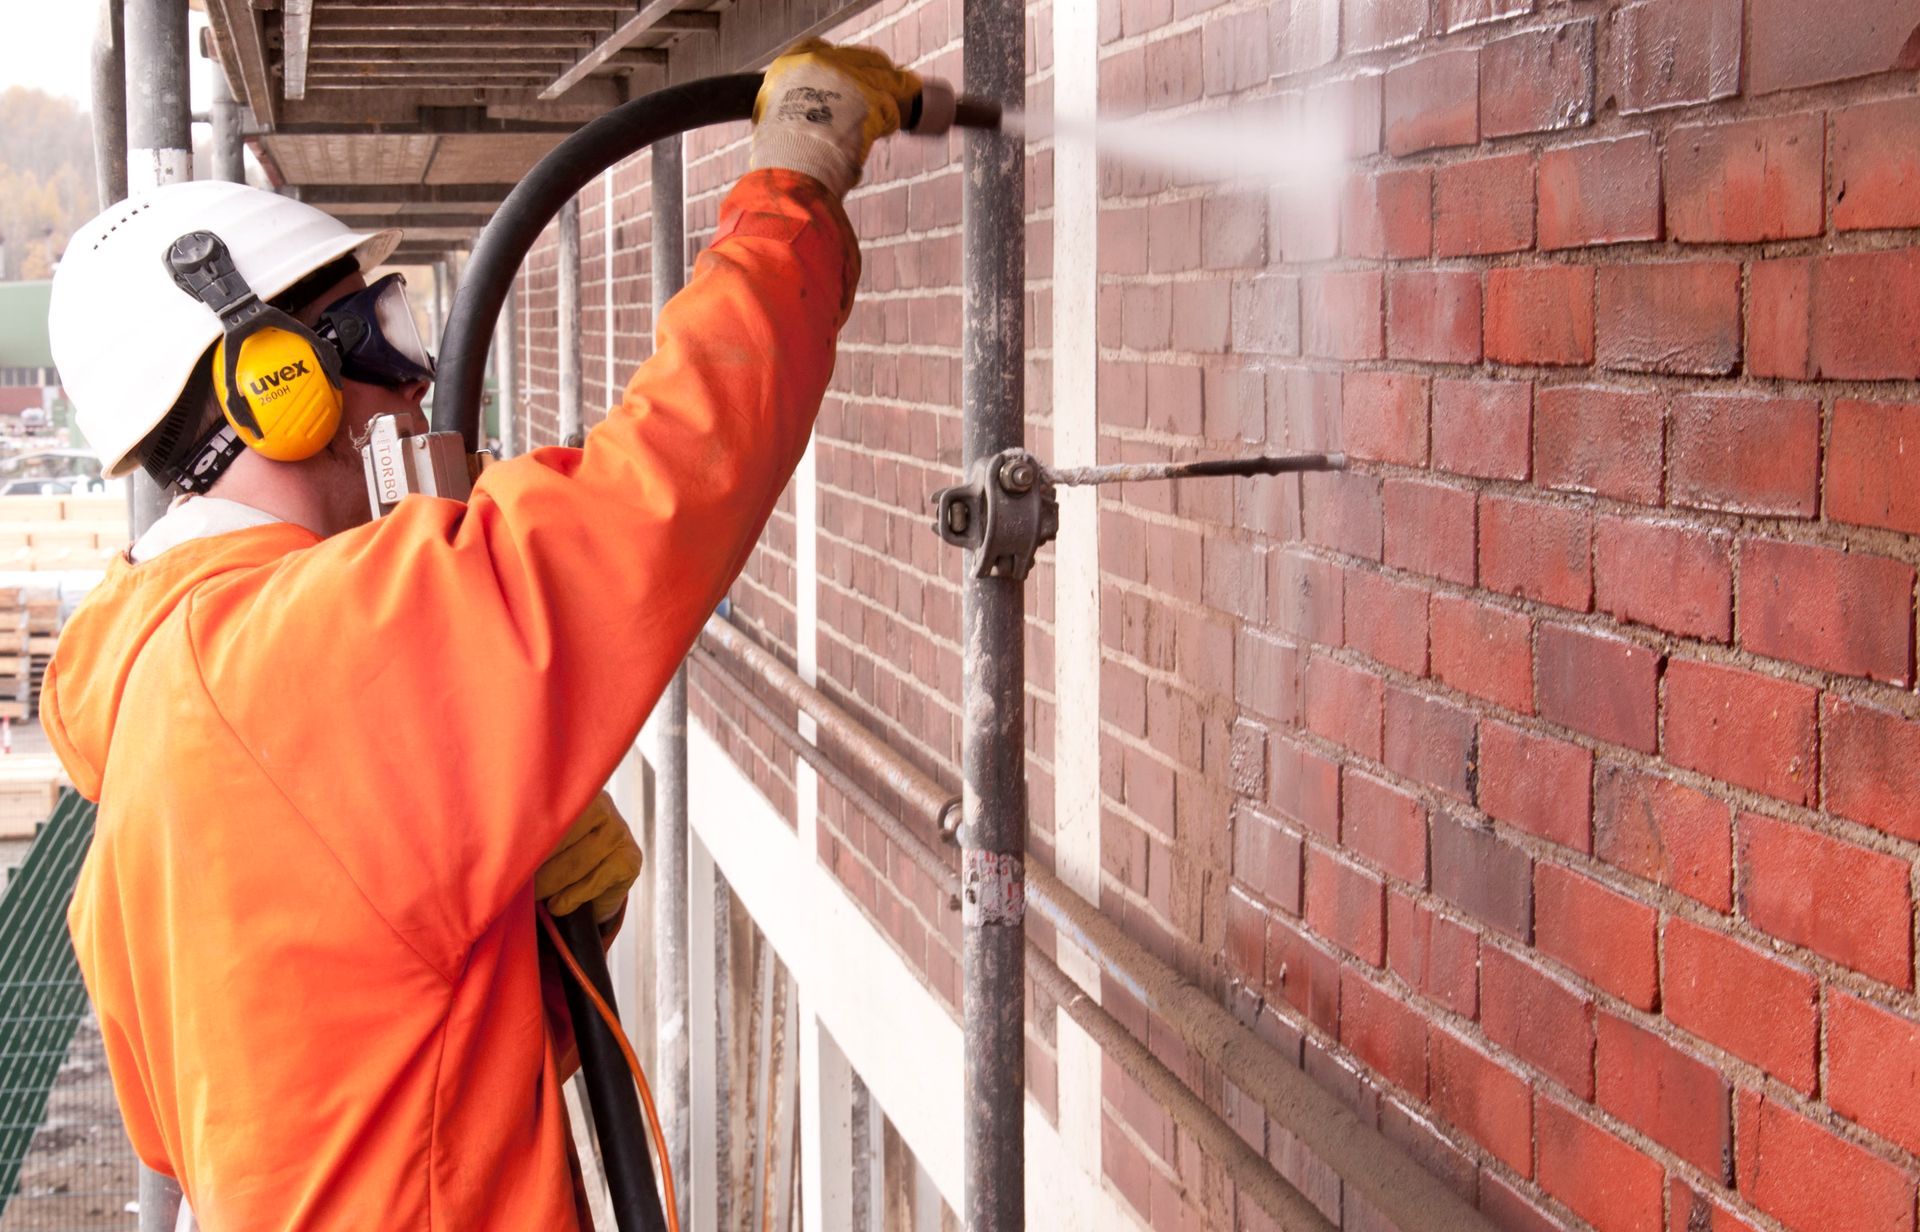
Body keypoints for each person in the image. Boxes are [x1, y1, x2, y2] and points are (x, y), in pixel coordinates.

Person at [42, 41, 919, 1231]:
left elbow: (350, 1091)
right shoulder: (310, 652)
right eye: (381, 334)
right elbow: (664, 486)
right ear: (273, 381)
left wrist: (514, 940)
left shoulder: (149, 714)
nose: (416, 386)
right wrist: (792, 190)